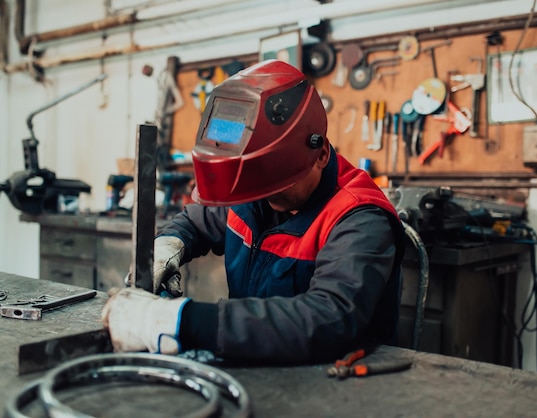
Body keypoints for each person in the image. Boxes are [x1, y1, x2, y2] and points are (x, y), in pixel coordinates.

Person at [101, 59, 406, 364]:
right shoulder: (254, 192)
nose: (266, 198)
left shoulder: (360, 218)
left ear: (321, 154)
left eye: (276, 185)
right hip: (258, 360)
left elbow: (328, 319)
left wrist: (180, 321)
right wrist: (168, 246)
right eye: (259, 188)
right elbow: (195, 223)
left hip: (339, 377)